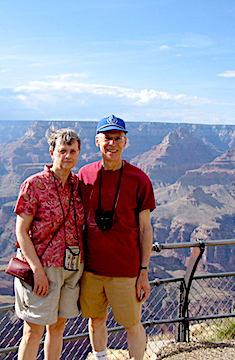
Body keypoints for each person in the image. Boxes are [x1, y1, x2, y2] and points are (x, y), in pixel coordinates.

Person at [78, 115, 156, 360]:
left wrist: (143, 272)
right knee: (96, 320)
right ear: (97, 141)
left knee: (132, 324)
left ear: (125, 142)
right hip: (91, 269)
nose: (112, 143)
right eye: (107, 138)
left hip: (126, 271)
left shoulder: (139, 179)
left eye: (118, 138)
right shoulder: (84, 175)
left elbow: (145, 229)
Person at [13, 128, 85, 360]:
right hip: (42, 268)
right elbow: (21, 231)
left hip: (71, 269)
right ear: (52, 152)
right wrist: (37, 270)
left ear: (79, 153)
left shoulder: (78, 185)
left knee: (58, 328)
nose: (68, 156)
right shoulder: (34, 184)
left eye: (73, 151)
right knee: (32, 332)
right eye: (63, 151)